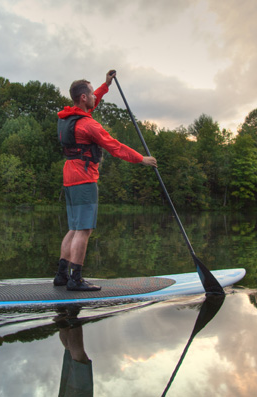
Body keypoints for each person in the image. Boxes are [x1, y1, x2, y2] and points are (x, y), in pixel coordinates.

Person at [55, 70, 157, 291]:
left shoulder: (68, 117)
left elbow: (93, 102)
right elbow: (115, 147)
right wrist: (141, 159)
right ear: (83, 97)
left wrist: (105, 86)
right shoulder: (89, 125)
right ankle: (76, 279)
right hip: (84, 178)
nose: (94, 98)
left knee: (74, 228)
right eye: (91, 94)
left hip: (69, 176)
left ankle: (62, 275)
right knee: (84, 230)